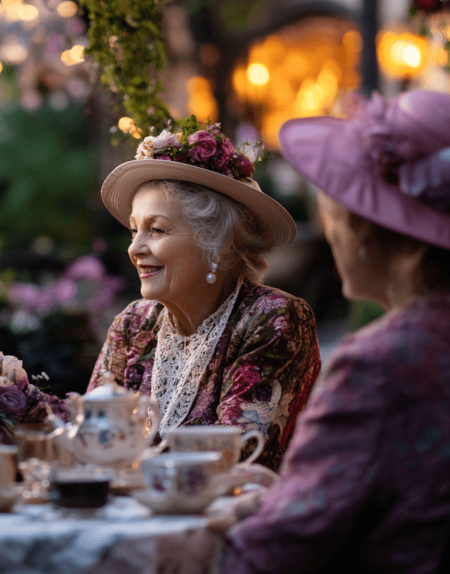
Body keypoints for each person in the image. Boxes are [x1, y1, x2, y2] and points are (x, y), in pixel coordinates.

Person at [224, 91, 450, 573]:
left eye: (339, 209)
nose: (332, 228)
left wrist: (233, 525)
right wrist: (286, 500)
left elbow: (262, 563)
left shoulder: (383, 367)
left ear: (379, 231)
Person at [90, 123, 321, 469]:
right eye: (133, 230)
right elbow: (88, 434)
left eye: (156, 229)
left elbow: (232, 460)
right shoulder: (133, 325)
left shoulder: (273, 318)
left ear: (217, 243)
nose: (135, 248)